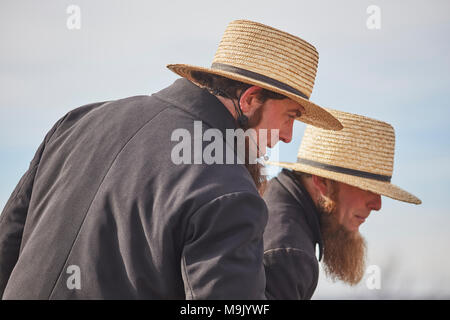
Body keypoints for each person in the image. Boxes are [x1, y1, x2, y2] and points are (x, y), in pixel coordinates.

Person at [0, 20, 341, 299]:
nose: (287, 136)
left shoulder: (77, 121)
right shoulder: (228, 189)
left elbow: (6, 248)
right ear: (250, 100)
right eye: (290, 116)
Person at [262, 109, 421, 299]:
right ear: (322, 182)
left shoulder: (271, 201)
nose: (377, 204)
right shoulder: (290, 255)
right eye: (368, 188)